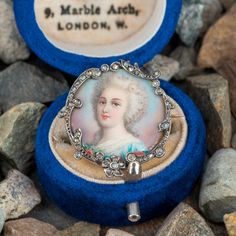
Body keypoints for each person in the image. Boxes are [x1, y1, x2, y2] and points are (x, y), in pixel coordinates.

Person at [89, 71, 149, 160]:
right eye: (102, 102)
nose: (105, 109)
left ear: (129, 109)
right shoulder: (96, 144)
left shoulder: (134, 148)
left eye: (115, 104)